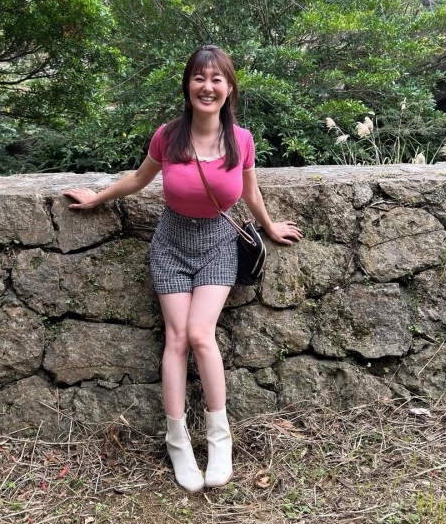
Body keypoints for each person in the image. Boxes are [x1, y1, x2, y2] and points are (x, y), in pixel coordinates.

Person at [63, 45, 302, 493]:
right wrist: (97, 198)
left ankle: (219, 441)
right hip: (171, 244)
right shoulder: (168, 136)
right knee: (176, 339)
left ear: (229, 89)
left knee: (199, 335)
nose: (207, 87)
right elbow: (139, 179)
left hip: (218, 244)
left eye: (216, 79)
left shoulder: (241, 140)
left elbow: (250, 191)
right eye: (199, 78)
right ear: (188, 85)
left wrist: (269, 226)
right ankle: (178, 443)